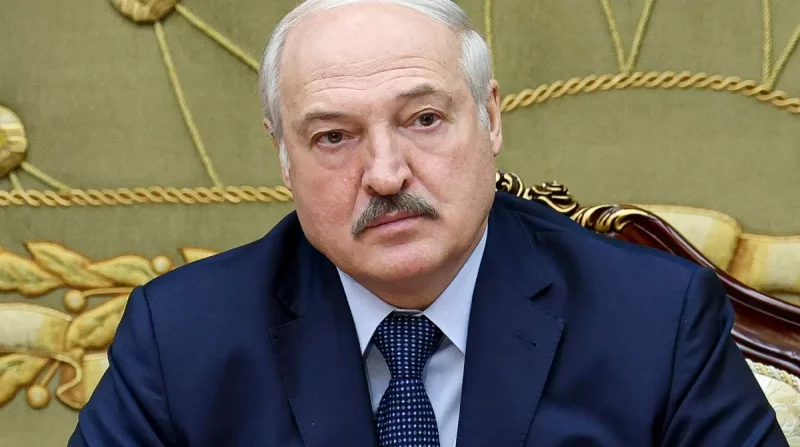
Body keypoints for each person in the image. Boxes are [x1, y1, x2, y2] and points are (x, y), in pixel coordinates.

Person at [68, 0, 787, 445]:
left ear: (490, 118)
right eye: (333, 137)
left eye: (423, 120)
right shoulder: (182, 336)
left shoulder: (655, 319)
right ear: (284, 157)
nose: (385, 174)